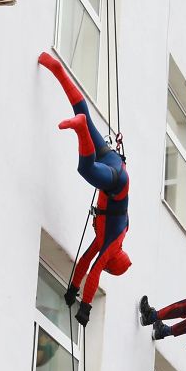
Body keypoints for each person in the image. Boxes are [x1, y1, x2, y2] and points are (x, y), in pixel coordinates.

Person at [38, 51, 131, 327]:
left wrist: (72, 289)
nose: (106, 263)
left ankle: (57, 69)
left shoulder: (105, 242)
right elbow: (96, 269)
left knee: (85, 115)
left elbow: (84, 263)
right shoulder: (112, 244)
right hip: (115, 182)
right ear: (114, 261)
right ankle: (80, 130)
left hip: (115, 165)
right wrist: (85, 308)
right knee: (86, 169)